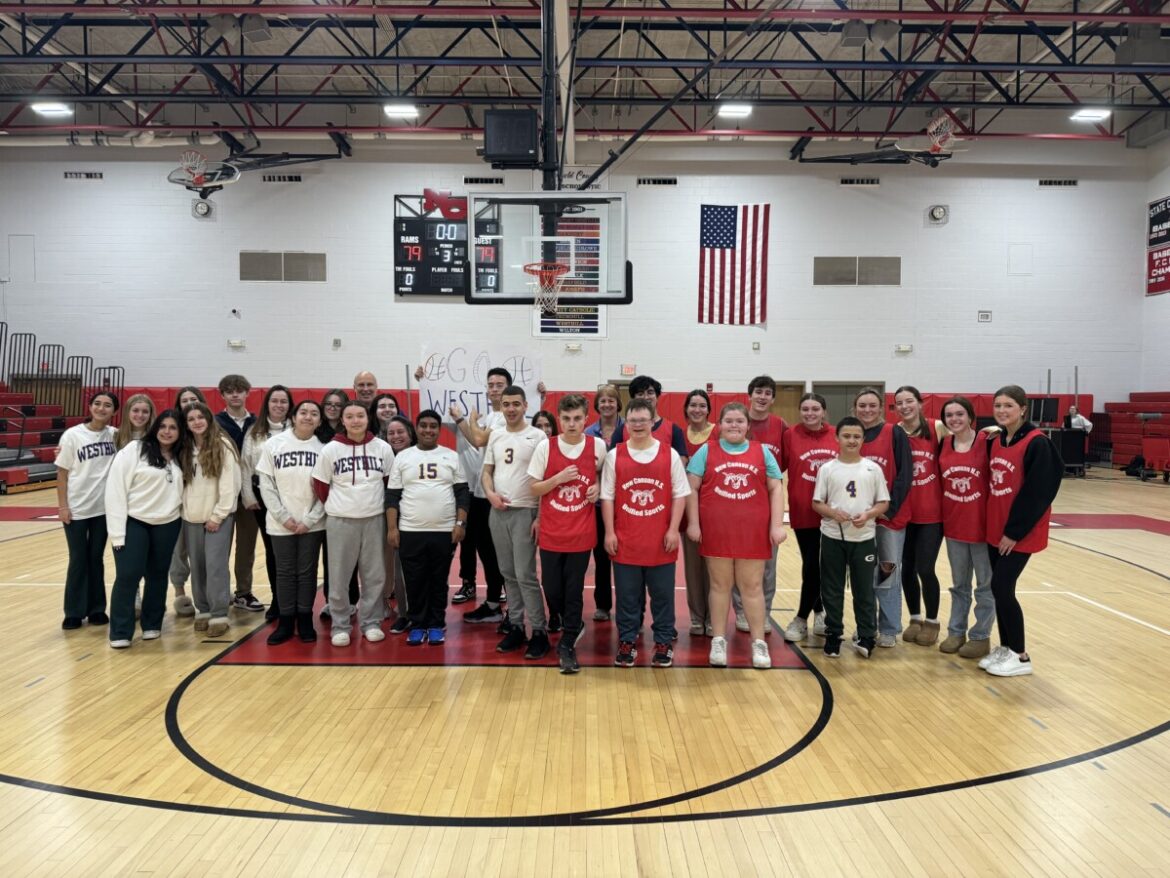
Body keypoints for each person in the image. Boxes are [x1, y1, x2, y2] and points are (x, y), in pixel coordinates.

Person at [686, 402, 786, 670]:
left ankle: (758, 643)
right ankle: (718, 640)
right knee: (719, 586)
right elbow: (691, 489)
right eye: (728, 421)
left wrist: (776, 525)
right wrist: (693, 523)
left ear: (747, 425)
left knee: (752, 587)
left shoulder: (762, 452)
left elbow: (776, 489)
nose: (734, 425)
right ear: (720, 425)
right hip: (717, 530)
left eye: (739, 421)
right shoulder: (706, 451)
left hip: (752, 532)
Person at [601, 398, 690, 668]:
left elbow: (680, 495)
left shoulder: (670, 454)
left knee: (663, 596)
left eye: (643, 420)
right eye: (633, 420)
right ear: (626, 423)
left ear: (653, 422)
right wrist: (609, 533)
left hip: (661, 539)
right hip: (626, 538)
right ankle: (627, 640)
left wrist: (674, 529)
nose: (638, 425)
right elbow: (607, 497)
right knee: (627, 596)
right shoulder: (615, 454)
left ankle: (663, 641)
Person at [981, 385, 1062, 677]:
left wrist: (1014, 532)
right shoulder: (998, 438)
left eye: (1008, 406)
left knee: (1002, 587)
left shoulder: (1037, 443)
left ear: (1023, 409)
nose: (1002, 411)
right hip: (996, 528)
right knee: (1000, 589)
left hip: (1019, 532)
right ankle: (1005, 648)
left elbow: (1038, 493)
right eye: (998, 405)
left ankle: (1020, 654)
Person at [527, 394, 606, 673]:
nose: (572, 424)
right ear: (558, 419)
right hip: (551, 530)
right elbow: (533, 487)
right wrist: (558, 479)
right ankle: (571, 624)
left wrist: (597, 486)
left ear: (586, 419)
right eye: (566, 419)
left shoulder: (597, 445)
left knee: (573, 590)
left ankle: (568, 641)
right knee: (552, 588)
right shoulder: (545, 447)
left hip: (582, 531)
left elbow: (604, 477)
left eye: (577, 419)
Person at [311, 402, 395, 647]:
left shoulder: (383, 448)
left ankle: (371, 622)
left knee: (374, 575)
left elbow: (390, 484)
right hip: (340, 521)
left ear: (367, 419)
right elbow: (320, 486)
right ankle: (340, 624)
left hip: (374, 519)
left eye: (360, 415)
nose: (355, 420)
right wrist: (341, 505)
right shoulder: (331, 449)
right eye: (350, 416)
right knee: (339, 576)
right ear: (343, 421)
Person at [386, 410, 469, 645]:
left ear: (439, 429)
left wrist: (460, 523)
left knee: (438, 580)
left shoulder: (451, 456)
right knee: (414, 580)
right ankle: (418, 623)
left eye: (433, 426)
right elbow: (392, 496)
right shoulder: (403, 458)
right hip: (410, 530)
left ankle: (435, 624)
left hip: (443, 531)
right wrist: (392, 528)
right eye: (423, 425)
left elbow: (462, 494)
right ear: (416, 428)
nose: (428, 430)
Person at [104, 410, 185, 648]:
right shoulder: (134, 450)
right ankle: (120, 630)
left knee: (158, 575)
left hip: (168, 523)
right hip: (134, 521)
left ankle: (152, 624)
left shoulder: (181, 455)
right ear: (155, 428)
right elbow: (115, 490)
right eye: (163, 426)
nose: (167, 431)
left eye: (173, 427)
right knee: (128, 575)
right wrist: (117, 531)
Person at [812, 417, 890, 659]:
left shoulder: (873, 468)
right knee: (832, 588)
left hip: (864, 537)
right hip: (833, 536)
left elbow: (884, 502)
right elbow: (817, 503)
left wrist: (868, 514)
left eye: (857, 436)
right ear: (837, 438)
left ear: (863, 439)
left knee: (864, 590)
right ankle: (834, 634)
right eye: (847, 436)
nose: (852, 440)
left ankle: (867, 634)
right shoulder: (827, 469)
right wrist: (833, 513)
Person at [483, 385, 549, 658]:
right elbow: (487, 472)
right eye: (506, 404)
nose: (510, 408)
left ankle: (540, 631)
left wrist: (540, 517)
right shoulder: (496, 435)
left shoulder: (538, 437)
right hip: (498, 512)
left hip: (525, 511)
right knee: (507, 573)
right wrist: (490, 495)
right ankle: (516, 626)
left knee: (525, 575)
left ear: (525, 406)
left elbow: (545, 481)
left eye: (516, 404)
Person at [442, 366, 510, 623]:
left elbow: (478, 440)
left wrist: (464, 419)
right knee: (487, 551)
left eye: (499, 384)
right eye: (490, 384)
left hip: (498, 494)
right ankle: (493, 602)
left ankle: (503, 607)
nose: (494, 388)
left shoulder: (505, 417)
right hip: (482, 493)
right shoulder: (492, 416)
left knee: (499, 553)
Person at [257, 400, 327, 645]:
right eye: (303, 412)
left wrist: (309, 519)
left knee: (307, 572)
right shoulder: (273, 445)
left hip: (313, 523)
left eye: (314, 414)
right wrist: (284, 517)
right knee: (285, 573)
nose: (308, 417)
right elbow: (266, 484)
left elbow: (327, 490)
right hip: (280, 523)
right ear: (294, 416)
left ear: (319, 420)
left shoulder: (325, 449)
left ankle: (305, 619)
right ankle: (286, 621)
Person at [937, 396, 995, 660]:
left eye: (960, 414)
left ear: (971, 416)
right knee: (959, 585)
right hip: (955, 525)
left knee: (985, 586)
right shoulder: (944, 444)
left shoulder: (987, 441)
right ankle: (955, 631)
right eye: (949, 415)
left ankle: (980, 636)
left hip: (983, 527)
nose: (954, 419)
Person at [55, 391, 119, 630]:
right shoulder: (72, 435)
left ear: (114, 411)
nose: (102, 408)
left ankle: (96, 609)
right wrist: (63, 506)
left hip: (102, 509)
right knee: (78, 558)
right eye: (98, 404)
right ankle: (72, 611)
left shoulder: (115, 436)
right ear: (90, 406)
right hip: (77, 508)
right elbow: (61, 473)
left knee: (96, 558)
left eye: (108, 405)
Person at [855, 386, 912, 648]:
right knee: (863, 576)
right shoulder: (852, 435)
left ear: (881, 408)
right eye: (862, 406)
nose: (867, 410)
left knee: (887, 573)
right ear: (854, 409)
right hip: (860, 520)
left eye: (872, 405)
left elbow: (904, 475)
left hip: (889, 519)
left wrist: (888, 509)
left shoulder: (895, 433)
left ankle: (889, 628)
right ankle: (866, 626)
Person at [180, 402, 241, 639]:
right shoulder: (183, 449)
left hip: (218, 518)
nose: (196, 422)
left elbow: (230, 486)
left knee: (215, 567)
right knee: (198, 566)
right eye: (191, 419)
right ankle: (202, 609)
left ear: (208, 419)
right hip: (191, 518)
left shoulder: (223, 446)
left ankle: (219, 613)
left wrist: (218, 515)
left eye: (200, 417)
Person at [780, 393, 836, 643]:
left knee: (821, 567)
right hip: (804, 512)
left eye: (815, 409)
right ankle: (816, 613)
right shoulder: (790, 434)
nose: (810, 413)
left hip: (833, 513)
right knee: (813, 565)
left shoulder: (837, 434)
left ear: (824, 411)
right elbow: (776, 467)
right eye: (805, 409)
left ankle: (806, 616)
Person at [735, 375, 788, 635]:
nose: (762, 397)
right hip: (736, 506)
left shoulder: (780, 426)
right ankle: (741, 612)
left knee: (767, 565)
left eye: (768, 393)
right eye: (758, 391)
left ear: (773, 398)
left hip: (767, 509)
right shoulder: (736, 421)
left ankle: (763, 613)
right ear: (750, 394)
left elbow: (782, 470)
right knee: (737, 563)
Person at [894, 385, 946, 646]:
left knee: (926, 568)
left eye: (909, 401)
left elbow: (965, 439)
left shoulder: (937, 427)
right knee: (907, 569)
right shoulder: (895, 432)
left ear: (920, 403)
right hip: (905, 513)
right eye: (899, 403)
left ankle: (933, 621)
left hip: (932, 513)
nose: (904, 406)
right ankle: (914, 617)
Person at [240, 385, 292, 620]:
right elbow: (244, 465)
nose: (279, 405)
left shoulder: (297, 428)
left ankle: (295, 601)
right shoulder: (255, 431)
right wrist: (248, 496)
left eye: (283, 401)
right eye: (275, 401)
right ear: (267, 404)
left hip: (292, 497)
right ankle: (278, 602)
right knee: (272, 550)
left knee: (292, 552)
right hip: (262, 498)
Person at [214, 374, 263, 613]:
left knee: (246, 546)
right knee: (219, 547)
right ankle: (218, 594)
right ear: (222, 395)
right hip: (220, 494)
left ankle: (244, 592)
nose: (235, 394)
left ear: (247, 393)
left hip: (248, 495)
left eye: (239, 390)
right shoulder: (214, 422)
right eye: (229, 391)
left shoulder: (258, 423)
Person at [584, 385, 623, 622]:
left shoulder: (630, 429)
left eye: (611, 400)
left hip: (625, 504)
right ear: (597, 405)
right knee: (601, 558)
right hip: (598, 506)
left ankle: (630, 608)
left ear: (618, 403)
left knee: (626, 559)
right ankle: (603, 605)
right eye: (603, 401)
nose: (607, 404)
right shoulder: (589, 432)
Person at [681, 389, 718, 636]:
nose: (697, 409)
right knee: (693, 568)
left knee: (715, 568)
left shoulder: (719, 432)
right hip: (687, 509)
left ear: (708, 409)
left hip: (716, 509)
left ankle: (715, 617)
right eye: (692, 405)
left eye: (702, 405)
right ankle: (697, 617)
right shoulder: (679, 435)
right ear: (686, 409)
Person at [168, 386, 208, 618]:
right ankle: (179, 592)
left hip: (201, 501)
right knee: (178, 549)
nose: (189, 403)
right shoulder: (171, 431)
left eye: (194, 399)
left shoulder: (207, 431)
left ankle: (209, 592)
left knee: (206, 552)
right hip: (174, 501)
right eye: (184, 400)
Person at [383, 415, 416, 633]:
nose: (396, 436)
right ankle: (404, 614)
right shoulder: (384, 457)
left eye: (400, 432)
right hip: (396, 521)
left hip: (421, 521)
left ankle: (425, 614)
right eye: (391, 433)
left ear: (410, 433)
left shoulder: (420, 455)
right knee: (400, 571)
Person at [609, 374, 688, 461]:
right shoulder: (621, 431)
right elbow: (613, 460)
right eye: (640, 394)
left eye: (650, 393)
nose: (646, 397)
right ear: (633, 399)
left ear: (657, 396)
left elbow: (681, 461)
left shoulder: (673, 430)